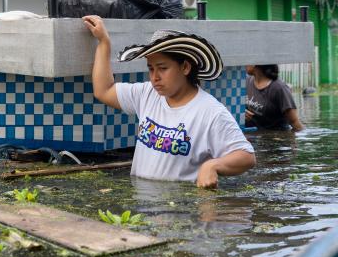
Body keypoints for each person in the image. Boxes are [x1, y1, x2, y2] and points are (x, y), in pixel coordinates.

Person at [83, 15, 256, 188]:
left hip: (181, 208)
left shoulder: (210, 112)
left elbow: (246, 155)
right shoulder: (147, 94)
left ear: (185, 67)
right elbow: (103, 90)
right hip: (142, 206)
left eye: (163, 68)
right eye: (151, 69)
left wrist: (212, 165)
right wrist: (104, 42)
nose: (154, 77)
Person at [245, 64, 303, 132]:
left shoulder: (279, 88)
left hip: (275, 138)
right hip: (253, 137)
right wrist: (242, 113)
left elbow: (295, 123)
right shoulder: (246, 82)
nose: (245, 64)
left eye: (247, 61)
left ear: (255, 64)